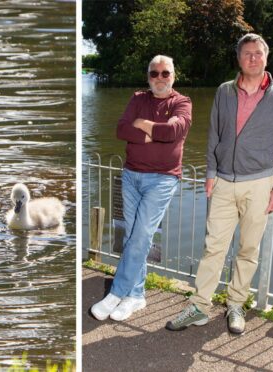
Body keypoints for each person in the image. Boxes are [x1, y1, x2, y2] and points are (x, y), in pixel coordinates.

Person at [167, 33, 273, 334]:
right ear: (238, 58)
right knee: (213, 247)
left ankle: (236, 304)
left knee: (248, 249)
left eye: (258, 53)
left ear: (266, 57)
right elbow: (215, 133)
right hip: (223, 181)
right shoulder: (224, 91)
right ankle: (199, 306)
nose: (253, 58)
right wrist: (211, 171)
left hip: (261, 183)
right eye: (247, 53)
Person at [90, 55, 192, 321]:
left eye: (165, 73)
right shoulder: (138, 98)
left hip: (162, 179)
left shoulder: (182, 103)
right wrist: (153, 131)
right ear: (148, 76)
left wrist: (144, 125)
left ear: (174, 76)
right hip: (131, 175)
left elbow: (174, 133)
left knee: (141, 235)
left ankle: (117, 292)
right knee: (134, 236)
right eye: (154, 73)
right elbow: (121, 130)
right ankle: (136, 296)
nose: (159, 78)